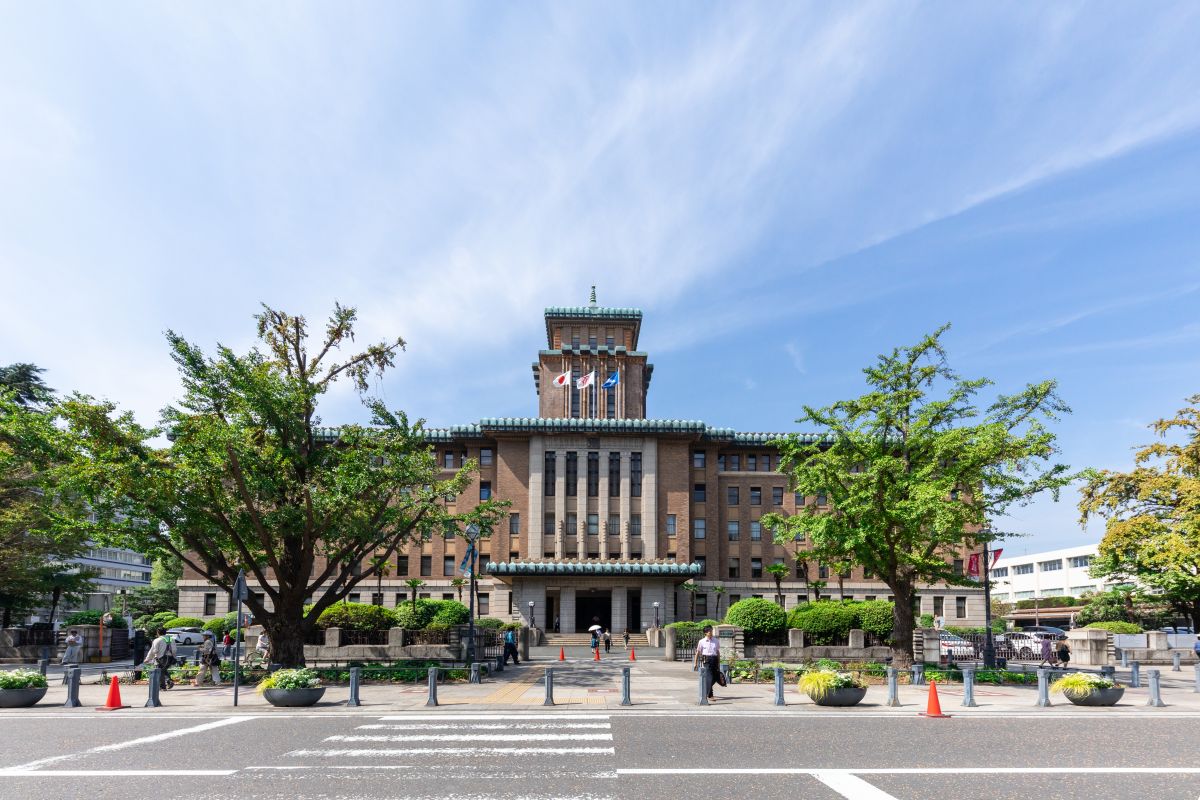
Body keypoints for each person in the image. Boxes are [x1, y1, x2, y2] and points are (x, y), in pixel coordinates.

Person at [693, 625, 723, 700]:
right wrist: (695, 663)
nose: (711, 633)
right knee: (709, 677)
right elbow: (698, 652)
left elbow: (718, 652)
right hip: (706, 660)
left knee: (715, 677)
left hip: (714, 659)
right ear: (706, 633)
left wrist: (719, 663)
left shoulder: (716, 641)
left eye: (712, 631)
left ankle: (705, 689)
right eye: (710, 631)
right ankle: (710, 695)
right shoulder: (702, 641)